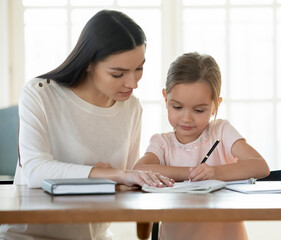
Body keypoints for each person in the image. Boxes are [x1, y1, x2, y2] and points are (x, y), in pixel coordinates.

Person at [0, 10, 174, 240]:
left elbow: (126, 179)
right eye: (118, 73)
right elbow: (34, 171)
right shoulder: (40, 94)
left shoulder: (131, 108)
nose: (133, 83)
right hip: (29, 236)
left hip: (94, 236)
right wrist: (105, 174)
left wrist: (119, 179)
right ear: (89, 64)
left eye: (139, 68)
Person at [134, 52, 270, 240]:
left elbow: (260, 166)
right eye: (177, 107)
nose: (186, 118)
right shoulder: (162, 142)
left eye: (199, 110)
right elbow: (140, 169)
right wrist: (191, 172)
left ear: (216, 105)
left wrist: (214, 173)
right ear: (165, 98)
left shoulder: (221, 131)